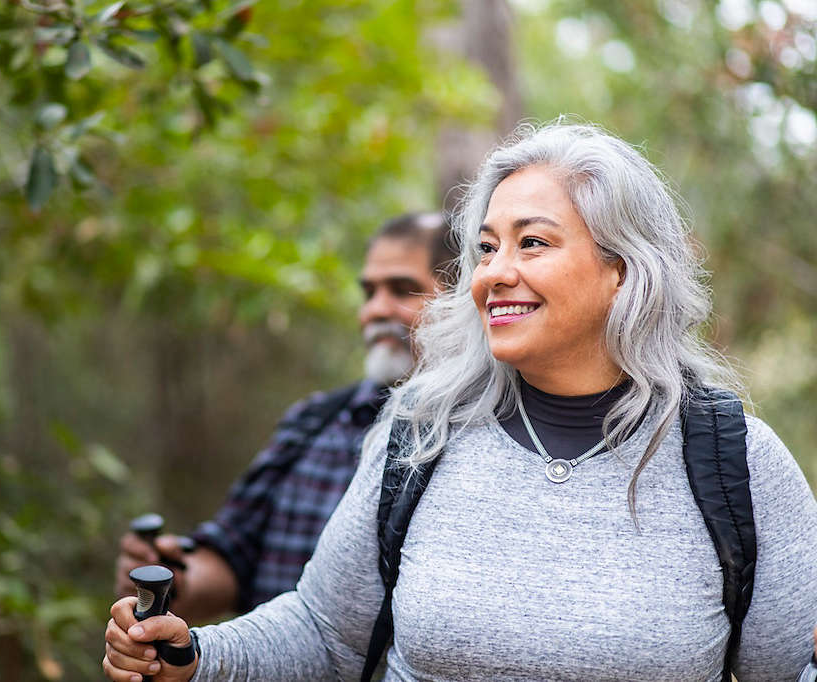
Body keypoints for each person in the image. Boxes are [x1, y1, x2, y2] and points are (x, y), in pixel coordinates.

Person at [103, 121, 817, 681]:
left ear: (623, 272)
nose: (494, 274)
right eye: (485, 248)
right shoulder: (422, 431)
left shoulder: (735, 462)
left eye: (531, 243)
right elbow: (325, 634)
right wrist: (195, 654)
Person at [113, 212, 459, 623]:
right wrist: (172, 580)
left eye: (402, 289)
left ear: (459, 297)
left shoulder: (486, 438)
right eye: (369, 292)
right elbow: (232, 554)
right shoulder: (314, 422)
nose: (374, 311)